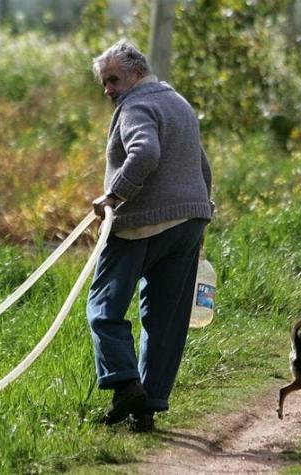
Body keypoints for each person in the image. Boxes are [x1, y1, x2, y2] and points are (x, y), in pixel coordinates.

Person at [86, 40, 213, 433]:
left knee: (103, 308)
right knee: (164, 320)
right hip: (189, 222)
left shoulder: (136, 104)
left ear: (136, 73)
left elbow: (144, 152)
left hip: (141, 222)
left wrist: (113, 195)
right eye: (104, 82)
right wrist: (202, 216)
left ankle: (125, 384)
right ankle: (148, 407)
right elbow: (202, 164)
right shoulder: (178, 102)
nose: (108, 89)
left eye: (113, 80)